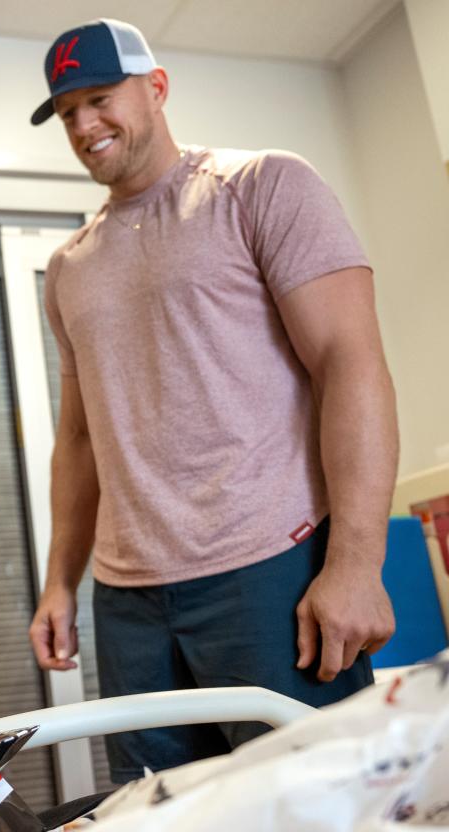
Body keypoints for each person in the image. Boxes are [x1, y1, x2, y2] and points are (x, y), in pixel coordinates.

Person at [25, 19, 398, 782]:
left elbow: (349, 363)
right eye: (66, 113)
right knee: (161, 811)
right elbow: (81, 441)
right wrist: (60, 579)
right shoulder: (69, 266)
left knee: (316, 803)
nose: (84, 126)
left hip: (268, 572)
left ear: (156, 90)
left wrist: (357, 563)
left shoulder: (261, 186)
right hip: (128, 603)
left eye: (99, 99)